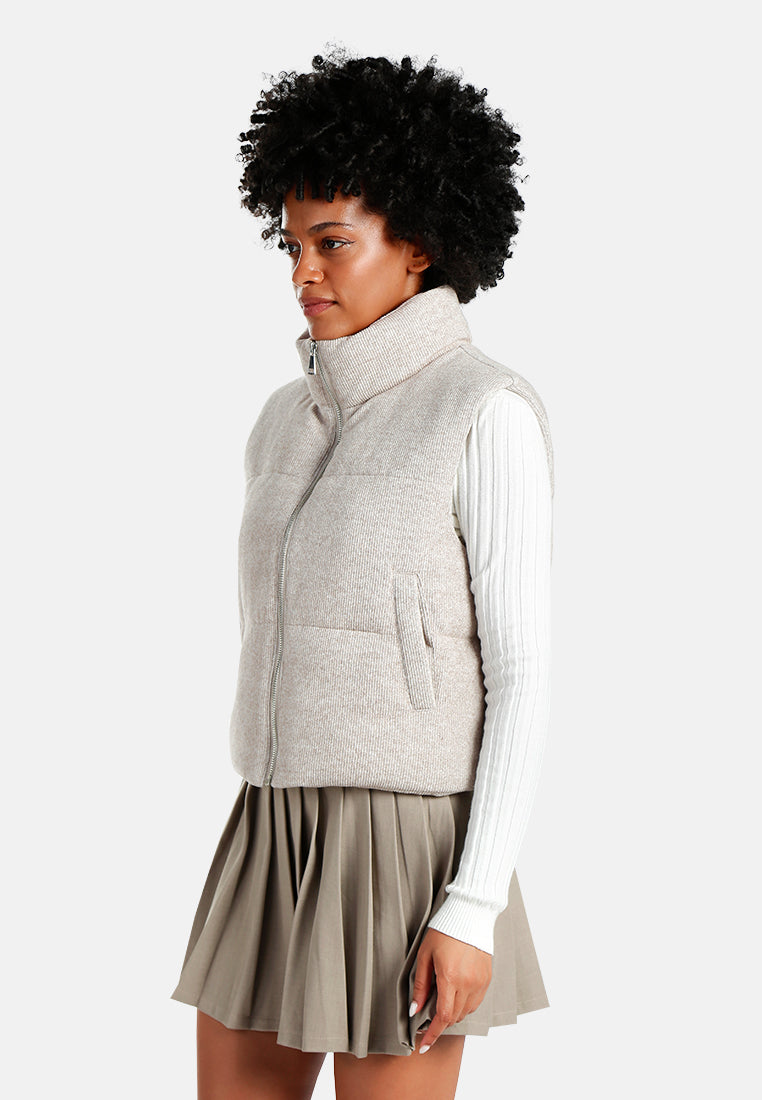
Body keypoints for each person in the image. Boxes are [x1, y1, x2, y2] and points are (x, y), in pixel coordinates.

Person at [170, 47, 554, 1100]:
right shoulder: (282, 420)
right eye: (291, 245)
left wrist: (472, 904)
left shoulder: (485, 410)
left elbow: (522, 671)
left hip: (406, 851)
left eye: (333, 243)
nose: (304, 273)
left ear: (420, 243)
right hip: (269, 829)